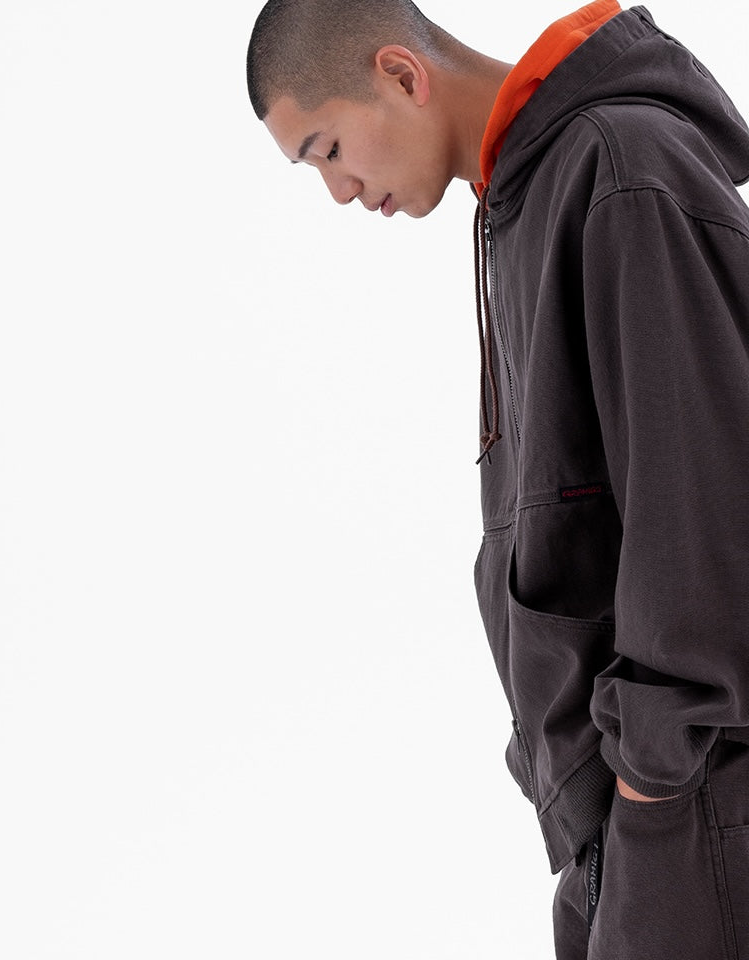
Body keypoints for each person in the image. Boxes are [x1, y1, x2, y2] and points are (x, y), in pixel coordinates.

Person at [246, 2, 749, 956]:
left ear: (401, 74)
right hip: (620, 815)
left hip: (688, 798)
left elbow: (704, 492)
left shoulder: (620, 167)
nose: (339, 192)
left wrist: (652, 778)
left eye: (328, 149)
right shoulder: (521, 198)